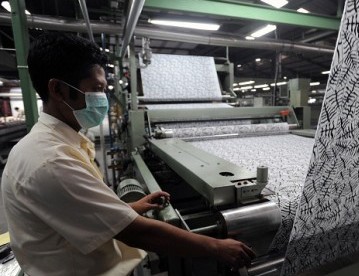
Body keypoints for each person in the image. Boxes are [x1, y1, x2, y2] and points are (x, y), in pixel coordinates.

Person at [1, 32, 255, 275]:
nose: (102, 98)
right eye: (96, 89)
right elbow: (137, 233)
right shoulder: (51, 160)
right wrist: (215, 247)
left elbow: (79, 210)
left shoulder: (59, 142)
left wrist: (131, 207)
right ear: (57, 90)